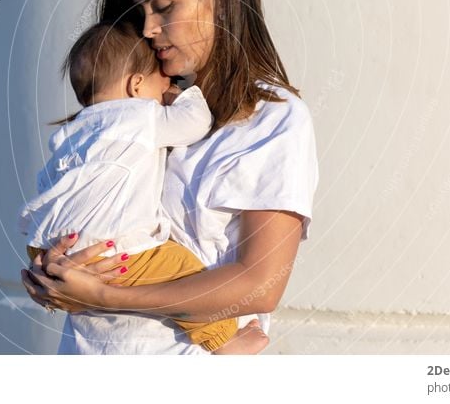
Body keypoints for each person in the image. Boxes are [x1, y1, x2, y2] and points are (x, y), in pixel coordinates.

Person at [21, 0, 319, 355]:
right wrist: (54, 273)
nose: (148, 29)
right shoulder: (137, 108)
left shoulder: (273, 120)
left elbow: (259, 284)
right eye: (140, 13)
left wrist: (103, 295)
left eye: (164, 7)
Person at [18, 19, 265, 354]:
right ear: (136, 85)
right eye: (161, 83)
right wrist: (185, 93)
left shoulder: (70, 133)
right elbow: (194, 124)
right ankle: (224, 341)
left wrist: (44, 253)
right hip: (115, 247)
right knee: (182, 271)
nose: (163, 91)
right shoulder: (137, 116)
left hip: (51, 248)